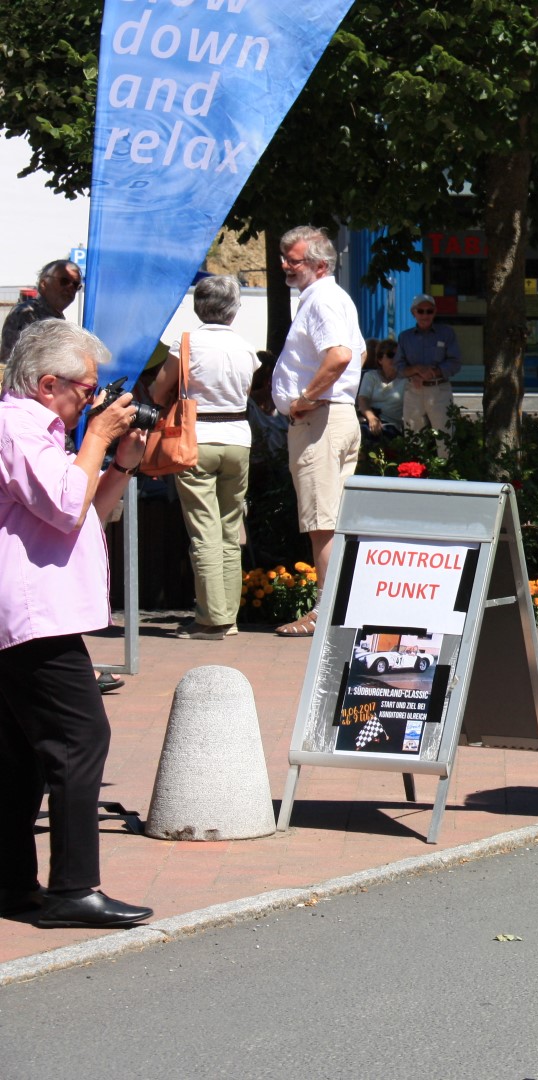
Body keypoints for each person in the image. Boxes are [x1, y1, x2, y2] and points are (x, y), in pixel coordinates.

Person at [0, 320, 154, 929]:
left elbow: (89, 512)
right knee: (79, 742)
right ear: (46, 384)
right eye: (85, 390)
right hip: (34, 616)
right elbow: (66, 508)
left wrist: (119, 463)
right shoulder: (19, 427)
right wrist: (96, 438)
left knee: (21, 755)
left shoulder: (41, 430)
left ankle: (13, 884)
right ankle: (72, 889)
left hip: (37, 614)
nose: (93, 401)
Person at [268, 225, 367, 637]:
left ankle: (324, 611)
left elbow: (342, 355)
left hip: (321, 420)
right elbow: (359, 351)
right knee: (332, 517)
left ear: (320, 265)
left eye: (293, 260)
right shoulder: (335, 298)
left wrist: (306, 397)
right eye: (285, 258)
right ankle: (336, 606)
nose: (285, 266)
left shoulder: (321, 300)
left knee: (321, 521)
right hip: (335, 416)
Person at [149, 275, 257, 641]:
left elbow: (158, 389)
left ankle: (212, 619)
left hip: (197, 438)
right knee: (230, 528)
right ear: (233, 310)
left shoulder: (187, 345)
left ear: (199, 307)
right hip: (238, 438)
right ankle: (229, 614)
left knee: (203, 529)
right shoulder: (246, 348)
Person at [395, 294, 460, 452]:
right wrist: (415, 371)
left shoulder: (446, 333)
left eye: (429, 311)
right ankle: (413, 473)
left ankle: (445, 473)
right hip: (414, 391)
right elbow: (398, 365)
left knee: (445, 438)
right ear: (414, 313)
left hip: (439, 391)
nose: (425, 315)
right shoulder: (405, 337)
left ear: (435, 312)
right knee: (413, 437)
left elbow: (455, 362)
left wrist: (434, 373)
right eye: (421, 311)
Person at [1, 259, 83, 365]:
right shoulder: (27, 313)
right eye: (64, 281)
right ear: (44, 284)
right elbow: (15, 362)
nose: (70, 288)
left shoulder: (54, 316)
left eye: (76, 285)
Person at [357, 337, 405, 441]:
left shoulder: (405, 379)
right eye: (390, 355)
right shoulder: (370, 376)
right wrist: (372, 418)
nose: (395, 359)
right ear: (380, 359)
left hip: (392, 426)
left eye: (398, 356)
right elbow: (363, 399)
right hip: (369, 421)